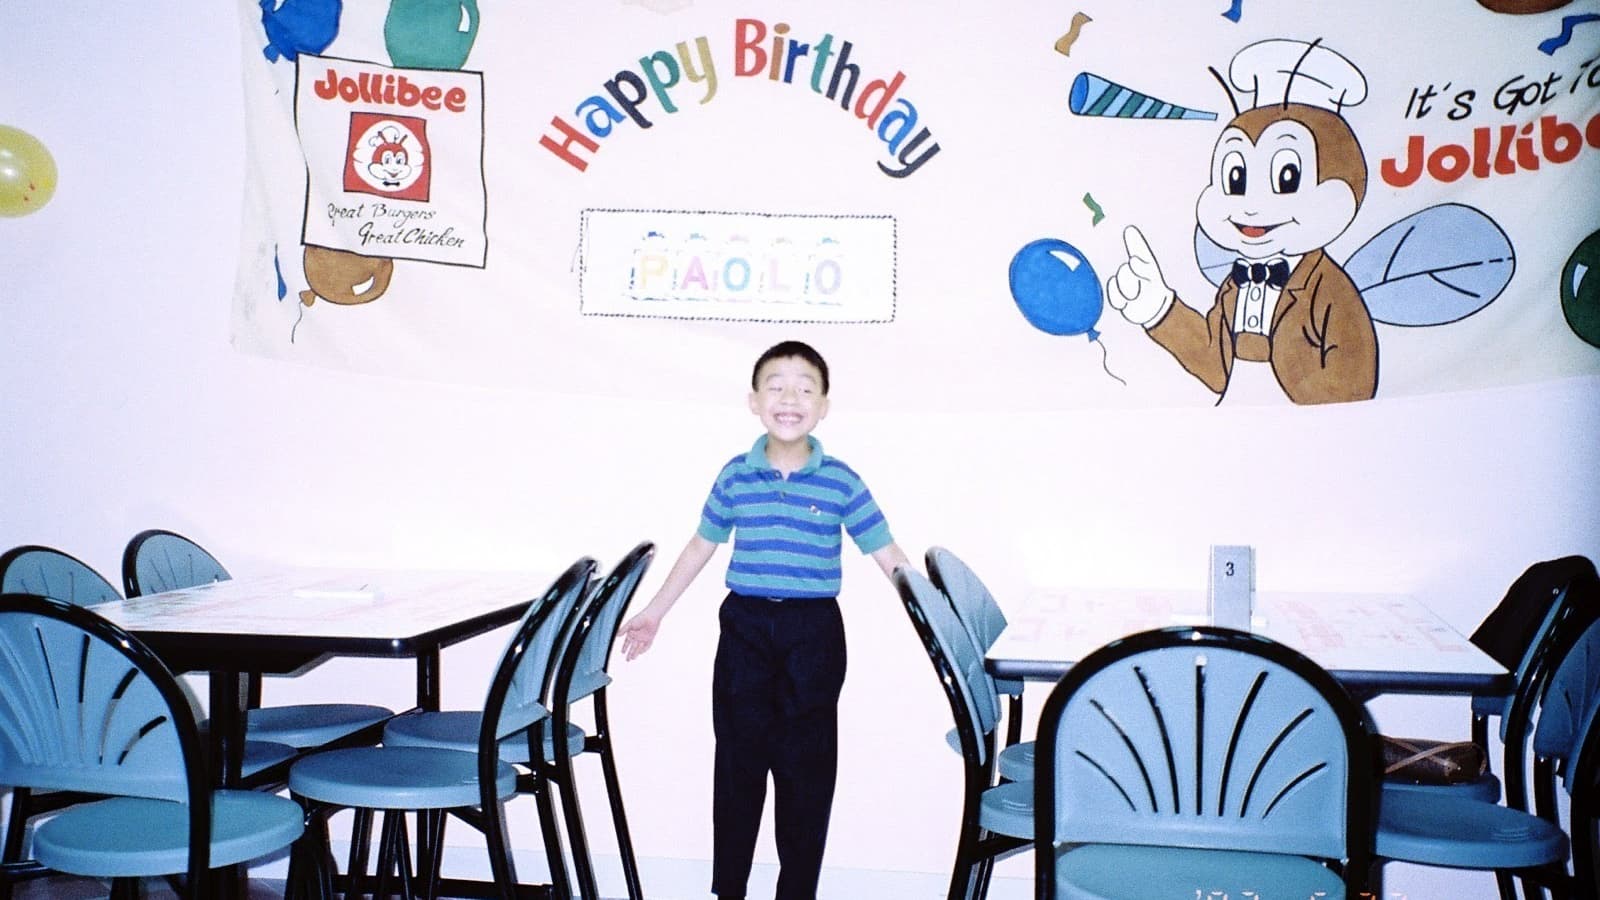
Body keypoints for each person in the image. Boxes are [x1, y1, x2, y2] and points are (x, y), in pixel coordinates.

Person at [617, 339, 910, 900]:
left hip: (815, 637)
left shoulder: (842, 481)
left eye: (805, 387)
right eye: (776, 385)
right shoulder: (734, 476)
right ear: (754, 401)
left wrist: (935, 616)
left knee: (807, 776)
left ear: (824, 405)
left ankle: (796, 893)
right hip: (744, 633)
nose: (790, 397)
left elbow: (887, 554)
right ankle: (728, 890)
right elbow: (702, 546)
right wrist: (655, 612)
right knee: (738, 769)